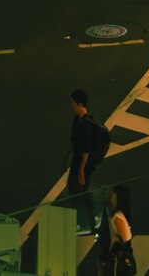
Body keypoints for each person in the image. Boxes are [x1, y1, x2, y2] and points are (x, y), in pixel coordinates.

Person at [67, 86, 110, 235]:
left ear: (79, 103)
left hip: (83, 164)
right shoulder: (77, 120)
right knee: (76, 191)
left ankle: (88, 221)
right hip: (77, 162)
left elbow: (86, 150)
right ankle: (92, 218)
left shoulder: (85, 124)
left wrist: (81, 171)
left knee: (78, 192)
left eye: (73, 102)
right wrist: (68, 158)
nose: (71, 105)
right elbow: (74, 142)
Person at [100, 183, 136, 276]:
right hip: (122, 257)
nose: (112, 197)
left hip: (119, 259)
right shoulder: (121, 215)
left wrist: (115, 241)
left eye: (113, 195)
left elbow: (126, 238)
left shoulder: (118, 216)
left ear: (118, 197)